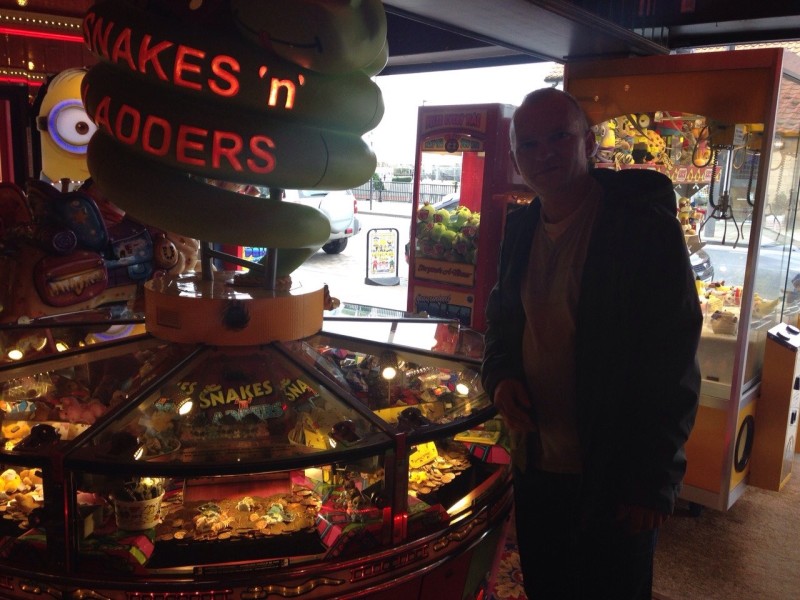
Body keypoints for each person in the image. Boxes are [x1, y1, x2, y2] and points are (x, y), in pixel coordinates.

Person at [481, 88, 702, 599]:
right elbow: (502, 322)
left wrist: (654, 478)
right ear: (515, 157)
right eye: (529, 144)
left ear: (589, 142)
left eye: (559, 136)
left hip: (614, 470)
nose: (544, 153)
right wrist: (501, 376)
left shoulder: (642, 228)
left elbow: (673, 360)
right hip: (538, 463)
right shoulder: (520, 228)